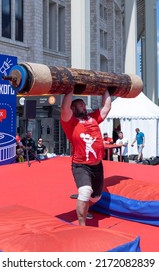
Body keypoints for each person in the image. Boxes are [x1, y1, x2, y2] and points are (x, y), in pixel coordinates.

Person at [60, 89, 111, 226]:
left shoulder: (93, 117)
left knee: (96, 197)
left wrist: (104, 89)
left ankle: (85, 201)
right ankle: (82, 226)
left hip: (97, 165)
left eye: (84, 104)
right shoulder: (70, 122)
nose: (84, 106)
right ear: (73, 108)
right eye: (80, 105)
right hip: (80, 164)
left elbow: (107, 107)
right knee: (85, 191)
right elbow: (65, 108)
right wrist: (70, 90)